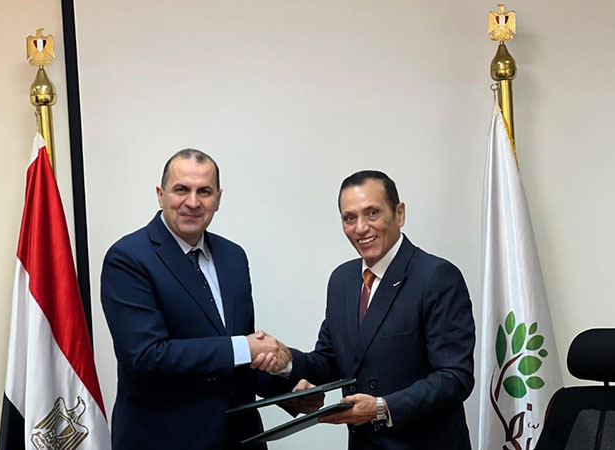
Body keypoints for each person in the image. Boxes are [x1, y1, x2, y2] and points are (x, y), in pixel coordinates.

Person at [100, 149, 292, 450]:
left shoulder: (233, 257)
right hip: (163, 442)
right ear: (160, 195)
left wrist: (289, 389)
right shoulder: (127, 258)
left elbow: (236, 360)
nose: (192, 202)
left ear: (218, 198)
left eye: (204, 191)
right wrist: (245, 346)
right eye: (181, 190)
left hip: (240, 438)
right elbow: (146, 357)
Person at [288, 170, 475, 449]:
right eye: (350, 218)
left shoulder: (436, 276)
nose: (361, 228)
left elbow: (455, 377)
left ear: (399, 214)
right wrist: (286, 363)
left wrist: (381, 407)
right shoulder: (342, 280)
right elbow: (330, 360)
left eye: (372, 213)